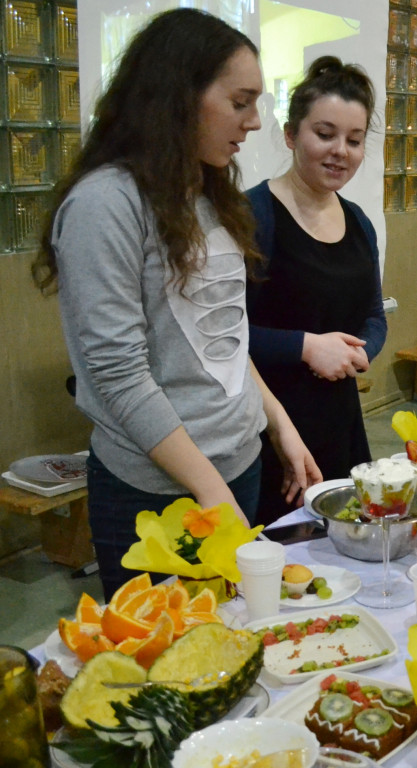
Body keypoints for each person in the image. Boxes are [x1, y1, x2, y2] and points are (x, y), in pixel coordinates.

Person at [31, 9, 322, 600]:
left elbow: (223, 336)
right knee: (169, 671)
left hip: (234, 467)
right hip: (157, 492)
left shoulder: (208, 190)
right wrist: (210, 493)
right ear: (180, 94)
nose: (253, 121)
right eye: (240, 102)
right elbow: (118, 374)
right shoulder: (103, 206)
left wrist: (279, 425)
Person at [246, 57, 386, 525]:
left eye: (354, 139)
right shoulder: (251, 218)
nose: (340, 151)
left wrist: (359, 352)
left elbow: (373, 315)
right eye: (324, 134)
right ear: (290, 135)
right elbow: (220, 336)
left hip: (340, 424)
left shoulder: (359, 222)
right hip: (266, 430)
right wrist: (306, 347)